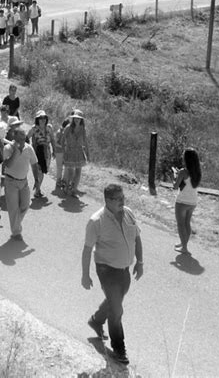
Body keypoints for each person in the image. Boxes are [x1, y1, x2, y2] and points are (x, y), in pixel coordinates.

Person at [82, 183, 144, 367]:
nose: (122, 201)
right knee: (117, 310)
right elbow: (87, 250)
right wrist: (85, 275)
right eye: (118, 199)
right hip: (107, 270)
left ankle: (96, 320)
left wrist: (140, 262)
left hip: (124, 270)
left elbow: (137, 238)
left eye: (123, 198)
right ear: (107, 200)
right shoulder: (96, 221)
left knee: (113, 301)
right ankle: (119, 350)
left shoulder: (129, 213)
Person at [2, 125, 39, 240]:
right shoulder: (8, 148)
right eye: (20, 139)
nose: (22, 141)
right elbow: (7, 164)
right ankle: (16, 232)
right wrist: (16, 152)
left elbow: (34, 164)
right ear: (14, 138)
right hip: (10, 181)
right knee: (13, 208)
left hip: (24, 182)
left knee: (25, 205)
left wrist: (37, 180)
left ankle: (16, 224)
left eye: (24, 139)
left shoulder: (29, 148)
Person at [172, 148, 201, 254]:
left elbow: (175, 187)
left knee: (180, 224)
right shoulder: (197, 172)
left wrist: (175, 178)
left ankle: (184, 247)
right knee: (187, 223)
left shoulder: (183, 172)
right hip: (193, 201)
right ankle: (184, 243)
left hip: (182, 201)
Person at [26, 110, 56, 198]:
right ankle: (37, 190)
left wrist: (54, 150)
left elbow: (53, 140)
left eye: (44, 118)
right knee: (38, 171)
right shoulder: (34, 128)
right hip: (37, 152)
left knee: (42, 171)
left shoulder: (49, 128)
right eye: (40, 118)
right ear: (37, 119)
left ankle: (38, 189)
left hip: (46, 152)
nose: (43, 120)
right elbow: (26, 138)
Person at [62, 109, 89, 197]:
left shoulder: (83, 129)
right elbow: (62, 140)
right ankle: (67, 187)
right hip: (70, 151)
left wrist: (87, 153)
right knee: (70, 172)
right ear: (73, 119)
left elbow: (85, 142)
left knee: (78, 171)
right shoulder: (68, 127)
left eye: (78, 118)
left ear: (81, 120)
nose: (77, 120)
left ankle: (74, 190)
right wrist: (64, 151)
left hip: (79, 151)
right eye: (75, 118)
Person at [54, 118, 70, 190]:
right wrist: (63, 147)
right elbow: (56, 143)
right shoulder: (59, 132)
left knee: (67, 167)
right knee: (59, 167)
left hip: (66, 152)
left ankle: (64, 181)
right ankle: (58, 181)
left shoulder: (69, 133)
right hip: (59, 151)